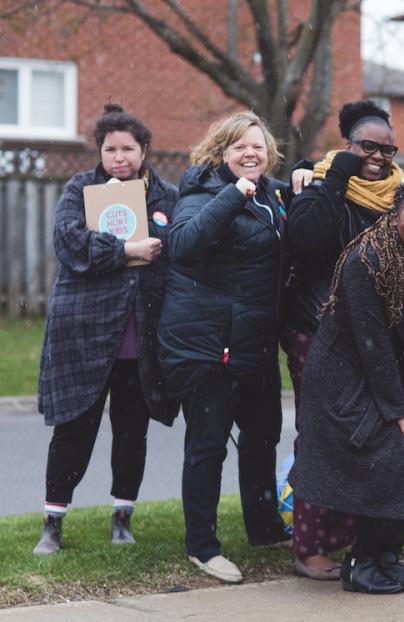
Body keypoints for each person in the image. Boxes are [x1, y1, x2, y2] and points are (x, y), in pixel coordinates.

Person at [289, 181, 404, 594]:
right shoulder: (368, 260)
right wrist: (398, 416)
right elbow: (372, 343)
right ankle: (360, 564)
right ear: (395, 216)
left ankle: (386, 559)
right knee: (395, 460)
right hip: (343, 382)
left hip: (386, 381)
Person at [34, 104, 179, 555]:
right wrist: (128, 249)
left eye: (128, 149)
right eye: (110, 149)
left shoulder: (166, 196)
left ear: (144, 150)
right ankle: (52, 522)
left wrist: (147, 250)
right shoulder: (81, 188)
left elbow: (178, 248)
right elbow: (69, 243)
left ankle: (122, 517)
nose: (120, 157)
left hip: (141, 332)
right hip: (85, 332)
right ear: (100, 151)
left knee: (132, 429)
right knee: (75, 428)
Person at [158, 111, 290, 583]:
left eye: (257, 146)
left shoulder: (273, 195)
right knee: (208, 446)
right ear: (221, 153)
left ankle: (265, 527)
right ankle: (203, 546)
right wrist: (234, 195)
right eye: (239, 147)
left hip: (255, 342)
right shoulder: (201, 192)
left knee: (262, 437)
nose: (250, 153)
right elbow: (185, 245)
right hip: (209, 346)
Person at [284, 100, 404, 580]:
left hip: (371, 338)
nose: (377, 156)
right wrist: (336, 176)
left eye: (387, 149)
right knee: (320, 436)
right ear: (347, 145)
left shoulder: (397, 199)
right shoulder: (317, 187)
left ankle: (345, 538)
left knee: (365, 438)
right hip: (317, 331)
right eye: (367, 146)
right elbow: (307, 242)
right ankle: (308, 545)